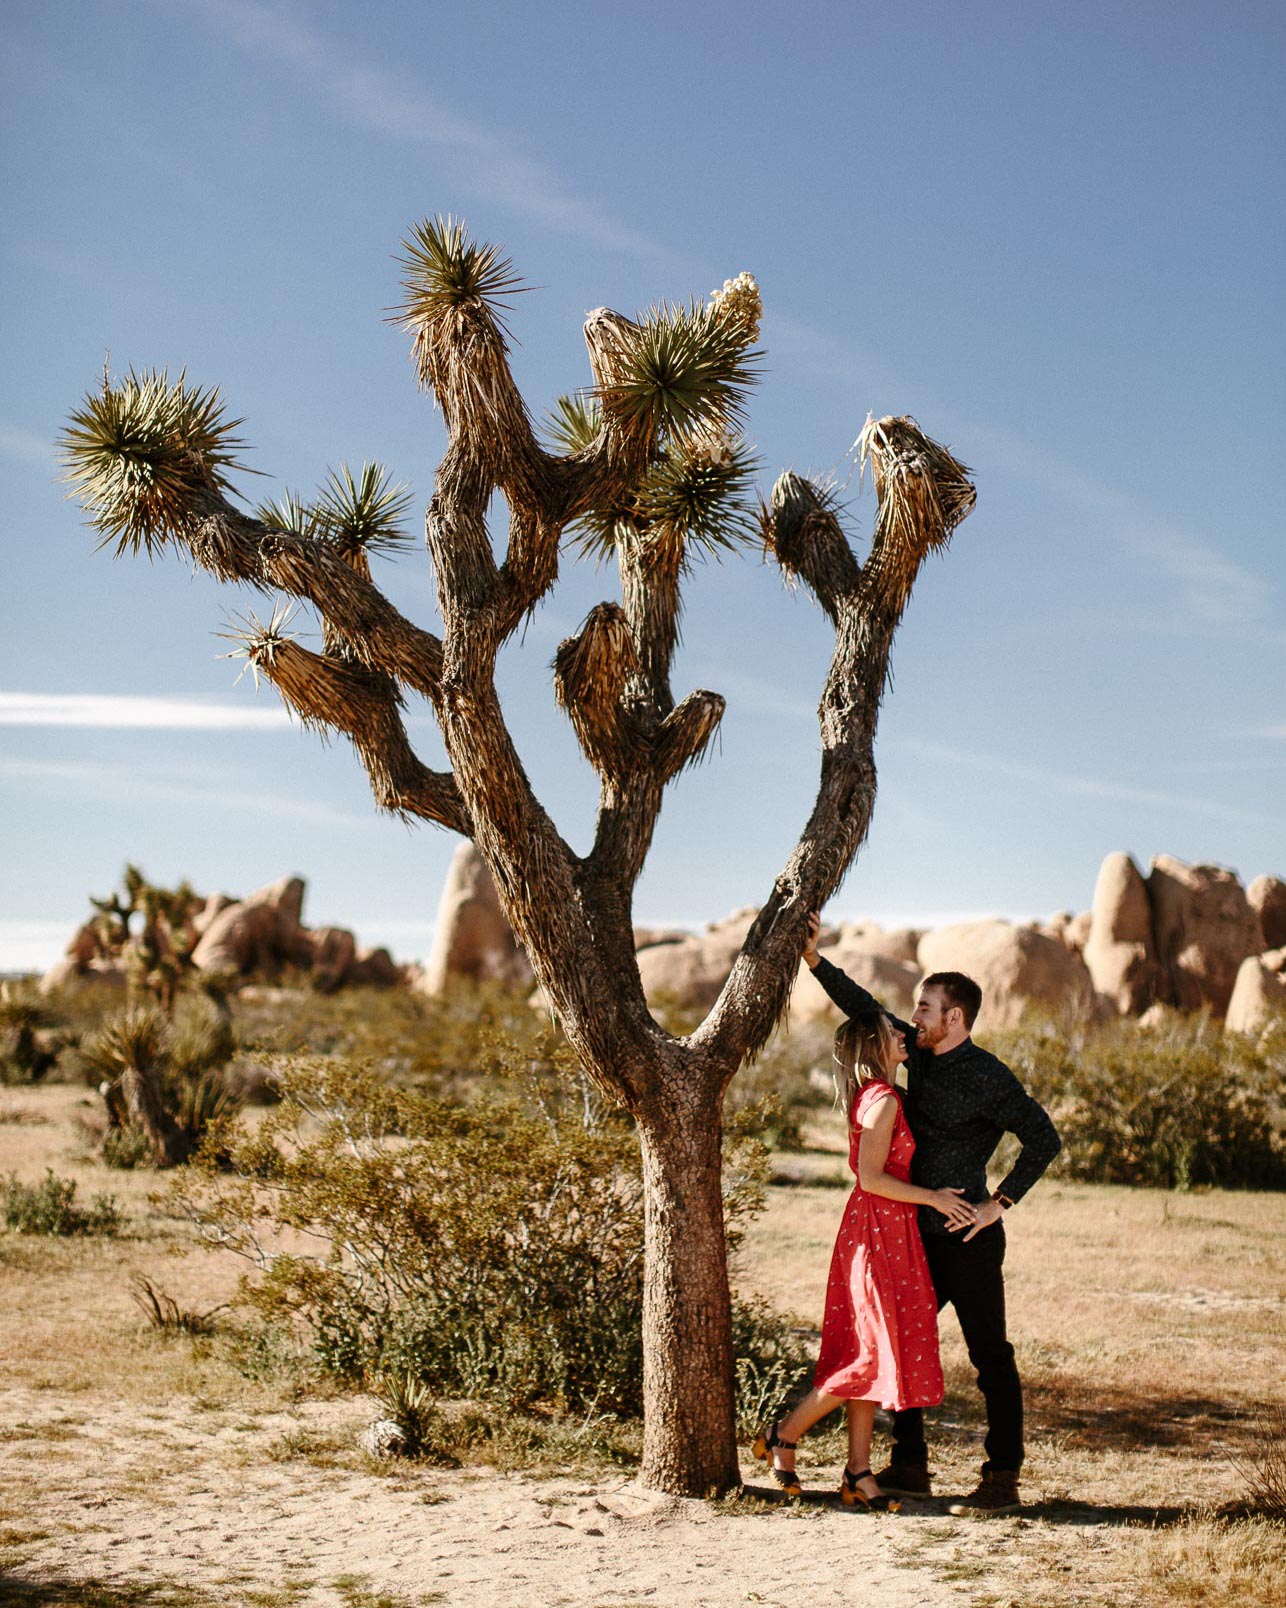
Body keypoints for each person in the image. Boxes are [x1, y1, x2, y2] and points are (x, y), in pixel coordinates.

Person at [802, 911, 1062, 1516]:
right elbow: (861, 1007)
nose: (911, 1017)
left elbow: (1043, 1138)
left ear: (955, 1019)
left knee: (990, 1355)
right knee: (903, 1342)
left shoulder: (990, 1075)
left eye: (924, 1008)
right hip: (908, 1231)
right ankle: (910, 1465)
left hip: (965, 1236)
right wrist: (814, 960)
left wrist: (998, 1204)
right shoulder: (915, 1052)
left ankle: (1002, 1475)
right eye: (914, 1009)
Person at [753, 1006, 976, 1509]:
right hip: (877, 1232)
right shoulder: (883, 1102)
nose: (901, 1033)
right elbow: (870, 1178)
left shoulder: (885, 1095)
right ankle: (784, 1434)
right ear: (873, 1047)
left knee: (875, 1354)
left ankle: (858, 1472)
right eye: (890, 1031)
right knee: (870, 1354)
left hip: (890, 1232)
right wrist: (936, 1197)